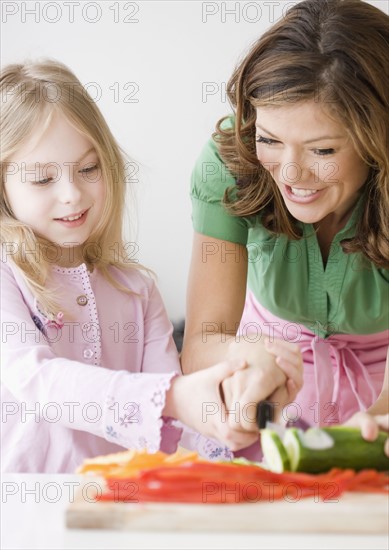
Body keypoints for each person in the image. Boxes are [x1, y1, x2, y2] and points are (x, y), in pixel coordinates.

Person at [0, 59, 305, 473]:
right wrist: (176, 397)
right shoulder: (7, 275)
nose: (72, 194)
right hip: (24, 514)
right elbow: (35, 381)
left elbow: (180, 429)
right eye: (41, 179)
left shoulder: (136, 290)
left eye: (89, 169)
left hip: (123, 512)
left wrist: (241, 422)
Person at [182, 0, 389, 459]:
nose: (291, 174)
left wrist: (373, 425)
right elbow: (202, 342)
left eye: (322, 150)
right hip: (264, 369)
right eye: (270, 139)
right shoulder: (230, 163)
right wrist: (251, 362)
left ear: (378, 139)